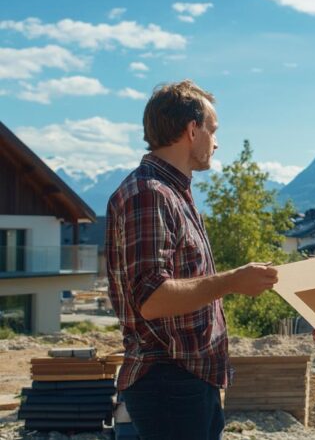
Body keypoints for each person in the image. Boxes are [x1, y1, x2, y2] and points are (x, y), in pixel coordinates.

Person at [106, 80, 279, 440]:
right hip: (170, 382)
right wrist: (233, 280)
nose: (216, 142)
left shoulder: (171, 193)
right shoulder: (150, 195)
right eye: (213, 130)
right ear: (192, 129)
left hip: (183, 380)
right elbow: (152, 299)